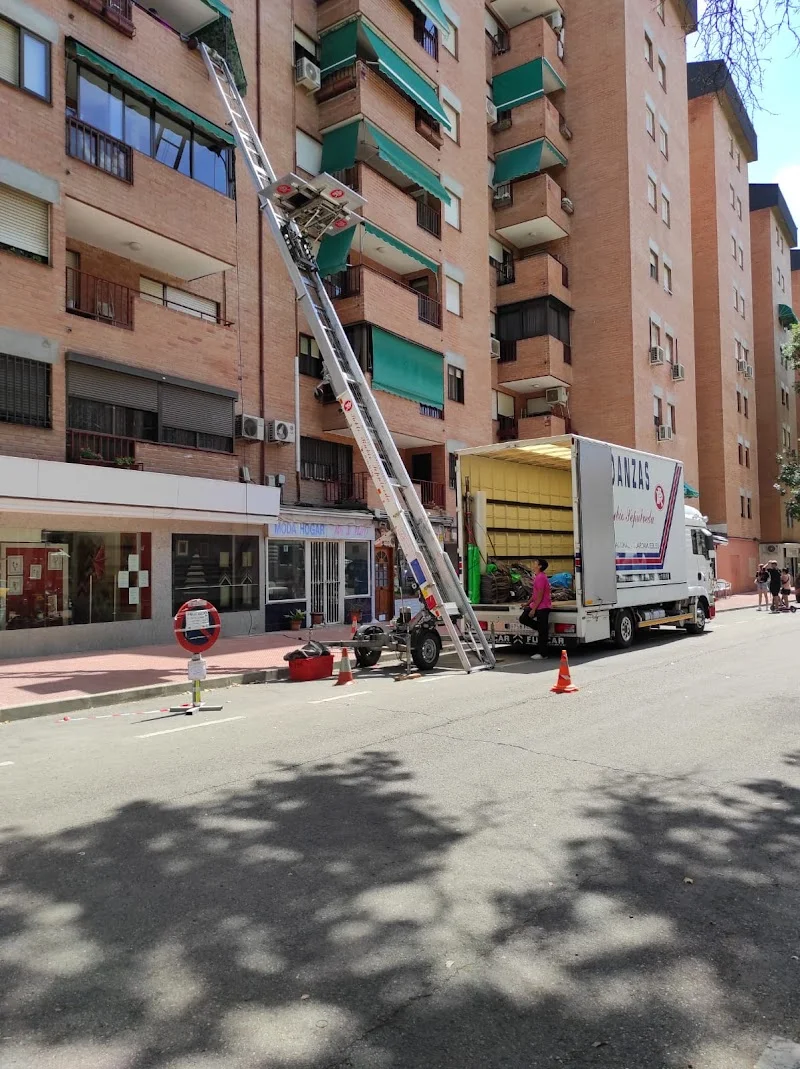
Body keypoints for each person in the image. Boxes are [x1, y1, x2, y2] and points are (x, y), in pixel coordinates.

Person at [519, 558, 552, 660]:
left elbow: (540, 595)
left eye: (535, 563)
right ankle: (542, 628)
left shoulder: (541, 577)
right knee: (523, 618)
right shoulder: (537, 577)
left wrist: (533, 609)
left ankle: (543, 654)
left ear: (540, 566)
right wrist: (527, 604)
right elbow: (535, 594)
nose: (533, 564)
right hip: (537, 604)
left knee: (542, 632)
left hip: (543, 606)